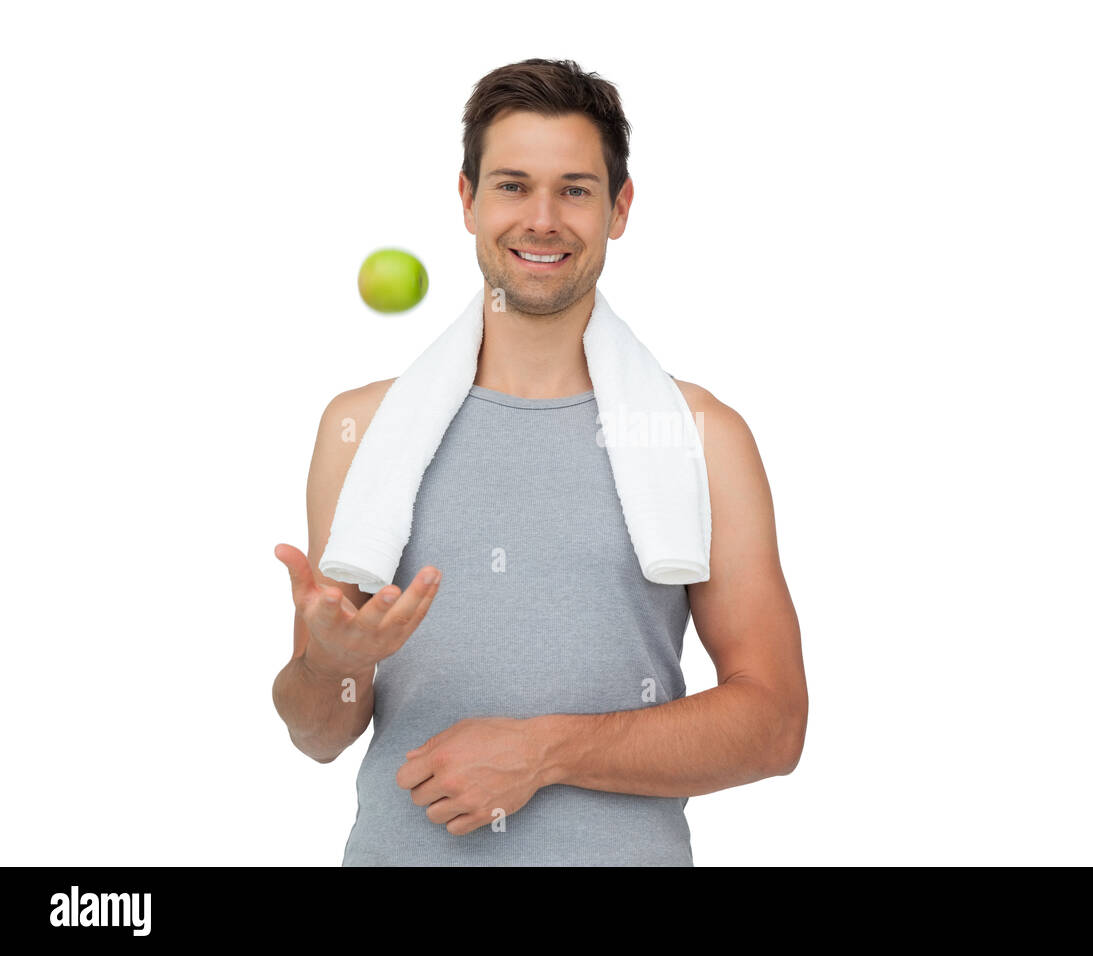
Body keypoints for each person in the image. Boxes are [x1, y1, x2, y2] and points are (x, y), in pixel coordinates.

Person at [271, 58, 807, 866]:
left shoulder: (700, 436)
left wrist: (546, 750)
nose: (543, 219)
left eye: (576, 189)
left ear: (620, 208)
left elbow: (774, 726)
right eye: (514, 186)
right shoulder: (363, 429)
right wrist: (333, 665)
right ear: (468, 201)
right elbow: (319, 733)